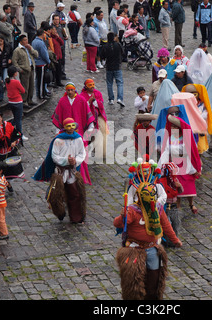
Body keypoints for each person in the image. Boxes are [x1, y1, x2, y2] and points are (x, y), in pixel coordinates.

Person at [114, 165, 182, 300]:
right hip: (134, 249)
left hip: (151, 247)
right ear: (139, 196)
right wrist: (123, 216)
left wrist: (175, 240)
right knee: (132, 281)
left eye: (152, 196)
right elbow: (117, 223)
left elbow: (166, 225)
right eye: (146, 196)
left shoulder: (157, 209)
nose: (150, 199)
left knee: (154, 278)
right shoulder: (132, 210)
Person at [33, 118, 87, 223]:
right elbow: (54, 156)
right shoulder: (58, 140)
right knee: (56, 194)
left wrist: (75, 161)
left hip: (72, 171)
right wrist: (66, 160)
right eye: (68, 126)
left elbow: (82, 153)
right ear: (64, 127)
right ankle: (59, 212)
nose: (71, 128)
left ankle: (76, 217)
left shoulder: (78, 139)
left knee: (75, 193)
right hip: (60, 171)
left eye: (72, 126)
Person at [51, 82, 95, 185]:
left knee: (80, 152)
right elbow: (58, 115)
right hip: (65, 134)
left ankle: (80, 173)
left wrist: (90, 127)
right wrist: (57, 131)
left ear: (75, 90)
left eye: (71, 90)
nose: (70, 92)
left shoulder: (81, 100)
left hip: (78, 133)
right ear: (66, 91)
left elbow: (88, 113)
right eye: (68, 90)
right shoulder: (62, 101)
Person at [158, 114, 202, 215]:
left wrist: (194, 168)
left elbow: (191, 151)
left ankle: (191, 204)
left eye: (175, 126)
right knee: (176, 187)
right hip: (174, 166)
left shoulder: (186, 138)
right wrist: (161, 166)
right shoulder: (169, 138)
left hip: (185, 164)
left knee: (189, 185)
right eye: (172, 126)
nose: (172, 128)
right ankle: (177, 208)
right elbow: (166, 151)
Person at [79, 79, 108, 160]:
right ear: (86, 86)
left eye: (93, 85)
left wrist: (95, 101)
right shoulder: (82, 96)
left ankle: (100, 152)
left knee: (101, 133)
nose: (92, 87)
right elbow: (83, 108)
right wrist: (89, 101)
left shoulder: (98, 93)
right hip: (87, 119)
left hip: (97, 117)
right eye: (89, 85)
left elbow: (101, 106)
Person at [11, 34, 38, 107]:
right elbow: (14, 61)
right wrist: (20, 70)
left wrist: (30, 49)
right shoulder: (17, 50)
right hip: (24, 70)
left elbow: (36, 55)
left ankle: (30, 99)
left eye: (27, 40)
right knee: (25, 87)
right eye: (25, 40)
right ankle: (24, 101)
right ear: (21, 41)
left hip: (31, 68)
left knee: (31, 86)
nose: (27, 41)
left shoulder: (29, 47)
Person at [100, 32, 125, 107]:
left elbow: (102, 56)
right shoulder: (118, 45)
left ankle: (111, 99)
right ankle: (120, 98)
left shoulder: (105, 46)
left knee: (109, 83)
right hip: (117, 66)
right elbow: (123, 52)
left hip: (109, 67)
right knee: (119, 83)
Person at [5, 65, 27, 141]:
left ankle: (8, 128)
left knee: (16, 118)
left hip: (11, 102)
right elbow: (23, 91)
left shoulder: (7, 81)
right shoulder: (16, 82)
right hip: (18, 102)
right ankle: (20, 135)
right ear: (14, 74)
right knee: (18, 120)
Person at [32, 28, 51, 100]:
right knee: (41, 80)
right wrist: (48, 61)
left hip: (36, 62)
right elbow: (44, 54)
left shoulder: (34, 41)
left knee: (38, 79)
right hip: (41, 63)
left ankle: (40, 93)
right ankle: (41, 94)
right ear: (42, 34)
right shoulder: (41, 43)